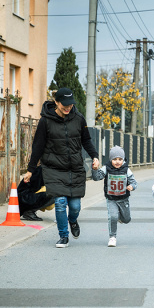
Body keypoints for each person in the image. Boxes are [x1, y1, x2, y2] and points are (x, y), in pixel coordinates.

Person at [23, 87, 100, 248]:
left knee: (75, 206)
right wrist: (30, 169)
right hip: (53, 169)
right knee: (59, 203)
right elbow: (37, 146)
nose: (68, 107)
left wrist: (95, 156)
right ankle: (63, 236)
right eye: (64, 104)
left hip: (75, 168)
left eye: (70, 104)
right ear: (56, 102)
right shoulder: (45, 121)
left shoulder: (78, 118)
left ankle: (72, 220)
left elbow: (86, 140)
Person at [91, 146, 138, 247]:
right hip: (111, 198)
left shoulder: (127, 170)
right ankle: (112, 237)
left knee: (126, 219)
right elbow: (96, 177)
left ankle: (121, 217)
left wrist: (132, 186)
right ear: (110, 159)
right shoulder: (106, 168)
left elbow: (134, 182)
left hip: (123, 199)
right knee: (112, 216)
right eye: (114, 159)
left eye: (120, 159)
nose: (117, 162)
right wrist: (95, 169)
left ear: (123, 160)